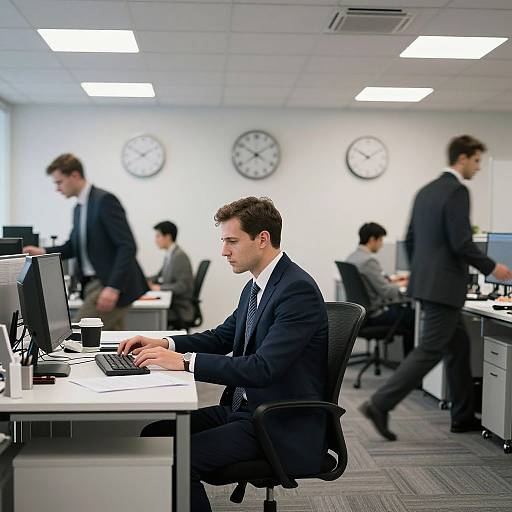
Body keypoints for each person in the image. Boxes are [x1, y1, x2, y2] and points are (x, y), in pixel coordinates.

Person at [118, 197, 328, 512]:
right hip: (243, 409)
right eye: (223, 241)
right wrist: (165, 343)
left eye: (232, 241)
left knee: (177, 459)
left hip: (276, 422)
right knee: (154, 435)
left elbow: (262, 369)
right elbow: (222, 337)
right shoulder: (256, 286)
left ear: (262, 239)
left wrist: (185, 363)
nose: (224, 251)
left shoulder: (296, 290)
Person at [360, 135, 512, 441]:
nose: (478, 168)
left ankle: (462, 416)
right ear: (463, 158)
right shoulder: (457, 191)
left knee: (459, 348)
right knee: (430, 349)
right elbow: (461, 242)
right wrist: (492, 268)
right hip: (444, 288)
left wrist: (425, 272)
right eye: (477, 161)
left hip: (428, 284)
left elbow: (412, 238)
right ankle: (380, 403)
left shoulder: (425, 191)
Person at [24, 153, 148, 330]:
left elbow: (127, 246)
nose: (57, 189)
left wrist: (113, 287)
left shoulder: (104, 201)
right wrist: (42, 251)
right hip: (92, 285)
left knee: (77, 335)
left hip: (107, 283)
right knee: (111, 344)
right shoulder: (79, 208)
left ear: (74, 175)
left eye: (59, 182)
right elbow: (72, 247)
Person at [346, 222, 414, 356]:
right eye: (381, 240)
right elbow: (386, 291)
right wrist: (407, 284)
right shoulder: (368, 260)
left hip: (361, 313)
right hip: (375, 314)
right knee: (412, 317)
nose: (382, 244)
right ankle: (410, 366)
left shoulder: (353, 257)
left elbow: (375, 282)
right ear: (372, 239)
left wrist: (395, 280)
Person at [148, 221, 194, 328]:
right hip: (173, 305)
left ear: (168, 237)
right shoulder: (170, 254)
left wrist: (159, 288)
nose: (155, 240)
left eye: (158, 236)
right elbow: (158, 276)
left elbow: (183, 286)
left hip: (179, 308)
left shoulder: (179, 256)